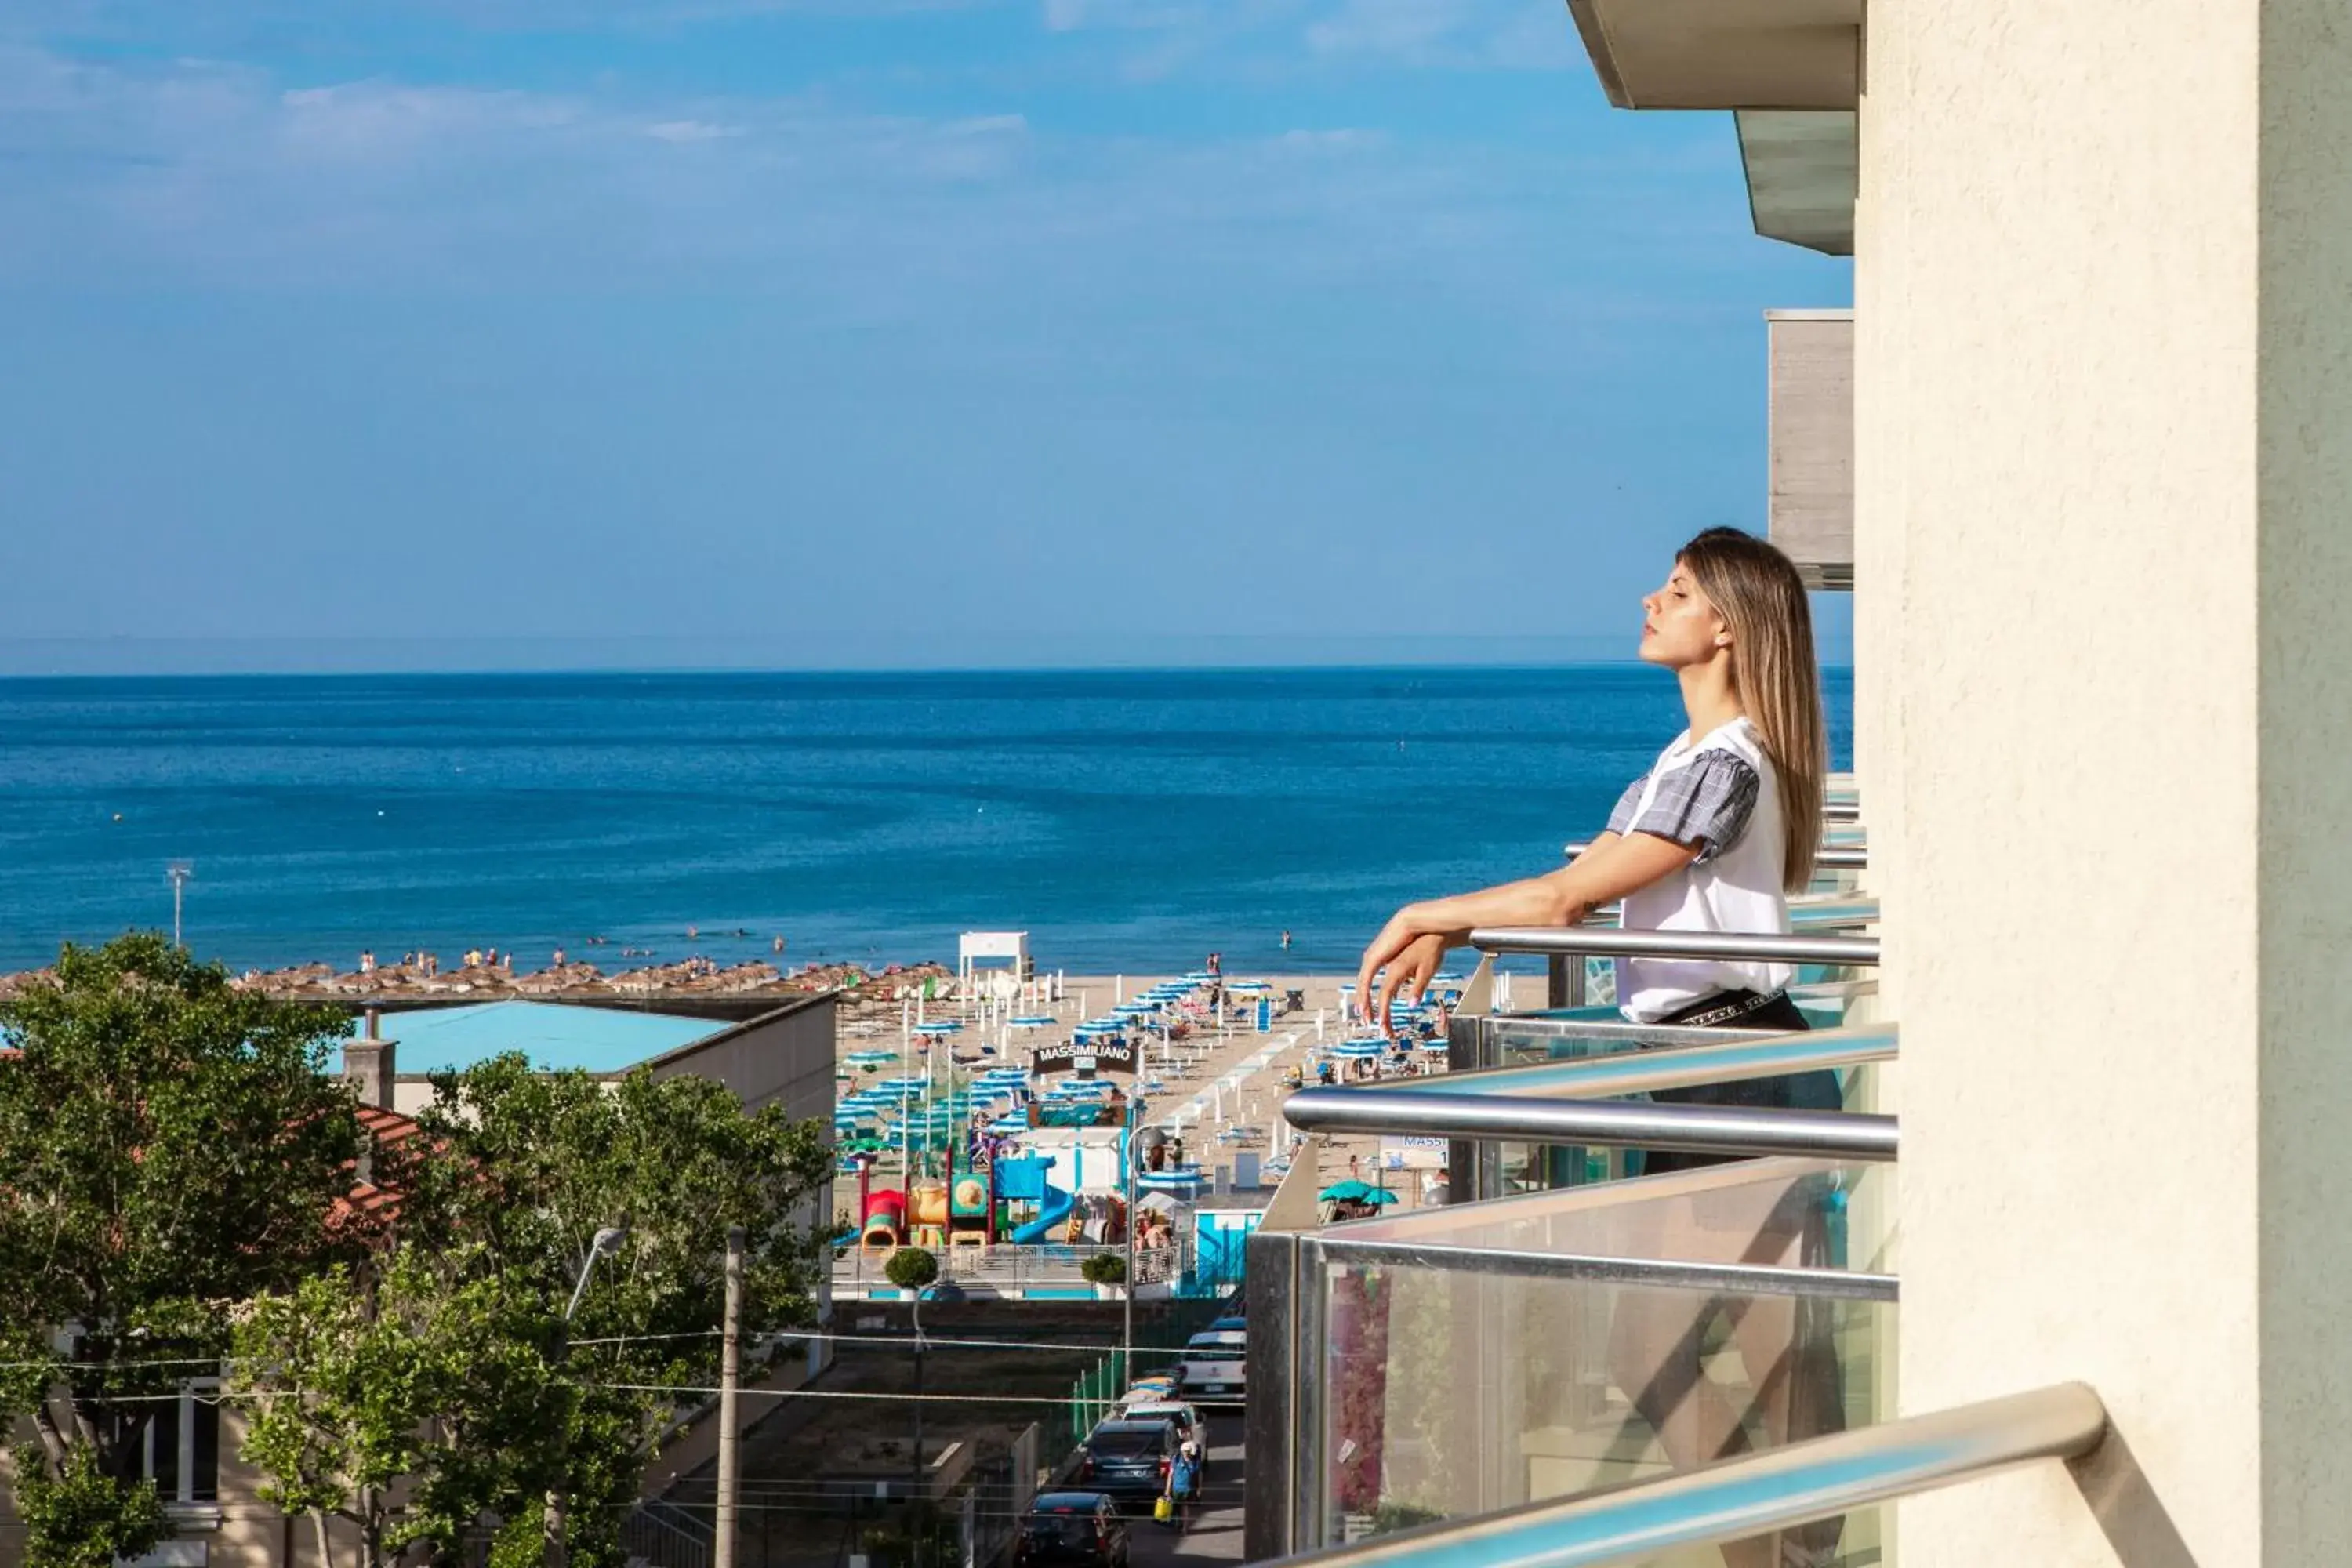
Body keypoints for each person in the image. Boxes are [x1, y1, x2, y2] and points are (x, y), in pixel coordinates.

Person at [1351, 527, 1839, 1568]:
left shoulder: (1724, 765)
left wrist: (1423, 911)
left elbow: (1568, 896)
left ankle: (1779, 1553)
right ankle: (1781, 1551)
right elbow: (1575, 897)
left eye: (1676, 591)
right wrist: (1453, 924)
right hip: (1721, 1072)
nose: (1648, 602)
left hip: (1733, 1070)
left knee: (1694, 1349)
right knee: (1770, 1352)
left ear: (1727, 627)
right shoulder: (1695, 760)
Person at [1165, 1438, 1203, 1528]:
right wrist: (1199, 1489)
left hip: (1176, 1489)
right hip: (1188, 1489)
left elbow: (1170, 1475)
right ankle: (1185, 1528)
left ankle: (1179, 1523)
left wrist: (1167, 1490)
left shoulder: (1176, 1459)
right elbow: (1199, 1475)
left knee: (1176, 1507)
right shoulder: (1195, 1462)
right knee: (1185, 1508)